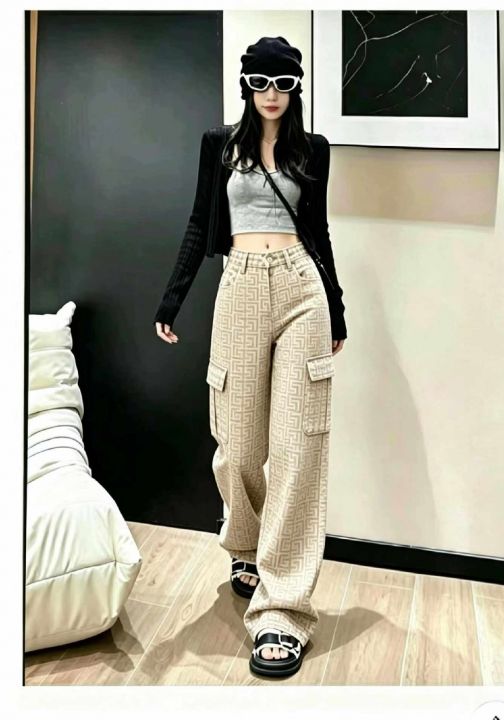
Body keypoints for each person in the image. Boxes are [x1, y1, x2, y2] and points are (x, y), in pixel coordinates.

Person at [153, 36, 347, 678]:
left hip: (301, 290)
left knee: (297, 449)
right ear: (246, 85)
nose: (271, 93)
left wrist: (337, 310)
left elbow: (319, 233)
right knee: (237, 445)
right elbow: (197, 223)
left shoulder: (313, 150)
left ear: (295, 88)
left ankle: (282, 611)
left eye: (282, 83)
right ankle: (247, 542)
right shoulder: (220, 145)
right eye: (260, 82)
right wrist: (172, 299)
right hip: (239, 285)